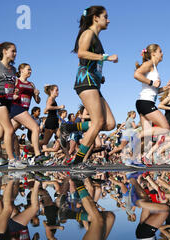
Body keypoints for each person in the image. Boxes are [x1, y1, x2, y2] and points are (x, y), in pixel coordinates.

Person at [60, 6, 118, 165]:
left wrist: (100, 76)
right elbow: (82, 53)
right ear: (95, 18)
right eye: (105, 16)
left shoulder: (96, 37)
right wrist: (106, 57)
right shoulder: (88, 34)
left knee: (110, 123)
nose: (108, 20)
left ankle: (71, 128)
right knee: (98, 122)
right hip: (85, 83)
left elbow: (90, 61)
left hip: (93, 82)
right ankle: (78, 162)